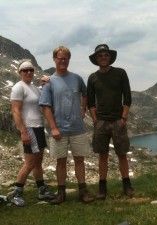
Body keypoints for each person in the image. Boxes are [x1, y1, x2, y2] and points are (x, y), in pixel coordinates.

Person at [39, 46, 94, 204]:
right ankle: (61, 193)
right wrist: (54, 127)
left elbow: (85, 93)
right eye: (60, 58)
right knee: (61, 162)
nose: (63, 61)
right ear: (54, 59)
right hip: (59, 130)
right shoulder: (49, 82)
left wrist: (83, 109)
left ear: (69, 59)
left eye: (65, 58)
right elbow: (45, 107)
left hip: (77, 128)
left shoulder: (77, 78)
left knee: (79, 160)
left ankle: (83, 192)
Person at [87, 44, 134, 200]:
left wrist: (124, 118)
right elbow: (90, 102)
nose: (103, 57)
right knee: (102, 155)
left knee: (122, 154)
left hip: (117, 121)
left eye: (106, 55)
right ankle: (102, 188)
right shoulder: (92, 78)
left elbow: (127, 97)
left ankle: (127, 185)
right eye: (100, 55)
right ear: (96, 59)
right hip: (101, 122)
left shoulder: (120, 73)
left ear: (110, 57)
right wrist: (95, 120)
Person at [7, 60, 55, 207]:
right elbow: (15, 110)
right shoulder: (18, 87)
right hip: (29, 128)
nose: (28, 72)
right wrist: (23, 132)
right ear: (20, 73)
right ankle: (16, 193)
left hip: (39, 127)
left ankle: (41, 189)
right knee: (29, 163)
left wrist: (45, 84)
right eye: (25, 70)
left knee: (38, 161)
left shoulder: (33, 88)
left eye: (31, 70)